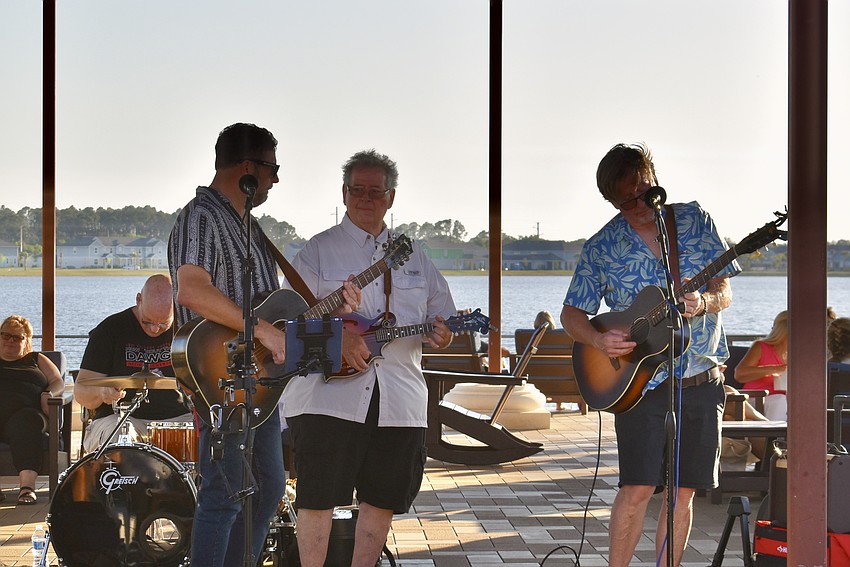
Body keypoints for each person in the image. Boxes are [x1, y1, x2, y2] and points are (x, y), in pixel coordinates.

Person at [168, 122, 359, 567]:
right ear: (249, 169)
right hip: (219, 378)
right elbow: (192, 291)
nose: (276, 178)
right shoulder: (201, 217)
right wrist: (262, 331)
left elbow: (278, 311)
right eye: (273, 168)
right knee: (224, 493)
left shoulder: (251, 229)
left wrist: (335, 307)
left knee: (269, 488)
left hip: (259, 385)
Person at [560, 143, 738, 567]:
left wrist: (706, 303)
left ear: (655, 179)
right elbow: (571, 314)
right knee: (638, 488)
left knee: (683, 492)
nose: (640, 203)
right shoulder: (602, 246)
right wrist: (601, 341)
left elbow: (725, 291)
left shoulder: (694, 220)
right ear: (611, 200)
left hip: (700, 376)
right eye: (628, 199)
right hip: (641, 384)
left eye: (646, 190)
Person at [282, 149, 456, 567]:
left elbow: (443, 321)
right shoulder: (317, 252)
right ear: (344, 193)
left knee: (382, 500)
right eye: (357, 190)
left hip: (399, 400)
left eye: (374, 191)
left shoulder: (415, 256)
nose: (365, 198)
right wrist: (335, 323)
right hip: (328, 401)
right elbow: (286, 332)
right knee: (317, 499)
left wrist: (443, 334)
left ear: (390, 197)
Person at [74, 274, 193, 452]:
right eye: (148, 321)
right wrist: (101, 393)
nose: (154, 329)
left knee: (209, 433)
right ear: (139, 300)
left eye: (163, 324)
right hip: (121, 417)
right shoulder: (109, 330)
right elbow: (81, 392)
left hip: (177, 418)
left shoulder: (187, 329)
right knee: (120, 436)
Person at [0, 315, 64, 505]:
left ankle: (27, 488)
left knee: (25, 422)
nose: (10, 340)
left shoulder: (36, 359)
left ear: (26, 340)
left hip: (27, 414)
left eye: (17, 337)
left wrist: (48, 394)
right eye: (5, 335)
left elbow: (58, 381)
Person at [733, 310, 788, 420]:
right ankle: (774, 434)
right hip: (756, 399)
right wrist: (776, 369)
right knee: (780, 400)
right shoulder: (761, 347)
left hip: (785, 400)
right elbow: (739, 374)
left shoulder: (799, 353)